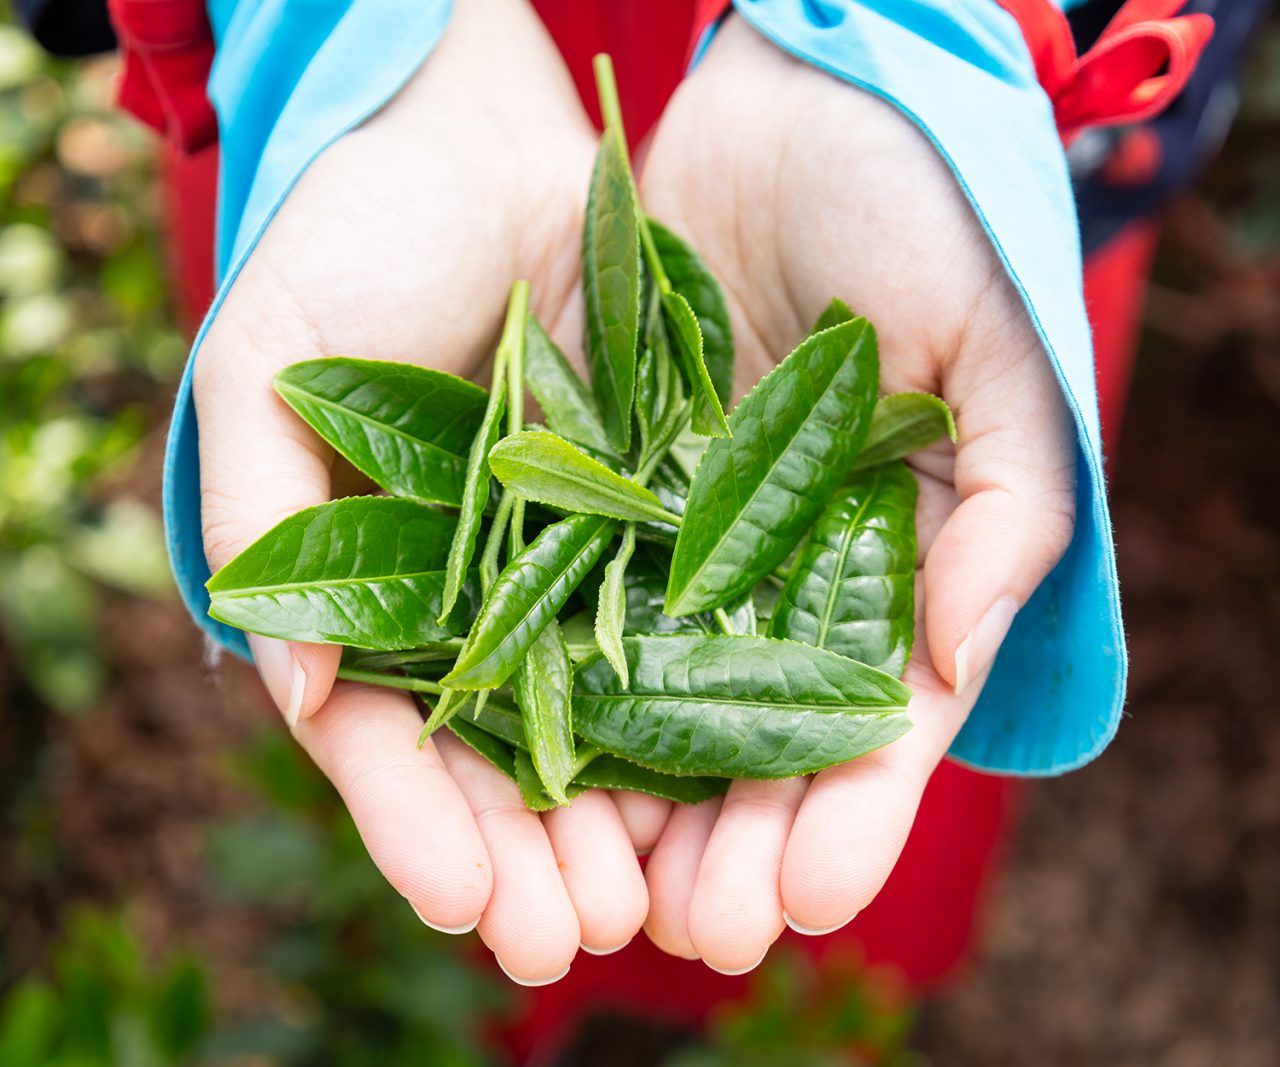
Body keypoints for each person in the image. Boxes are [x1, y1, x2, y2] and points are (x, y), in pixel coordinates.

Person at [19, 0, 1264, 1054]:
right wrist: (331, 30)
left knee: (871, 757)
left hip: (947, 147)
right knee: (454, 840)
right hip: (363, 164)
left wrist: (920, 41)